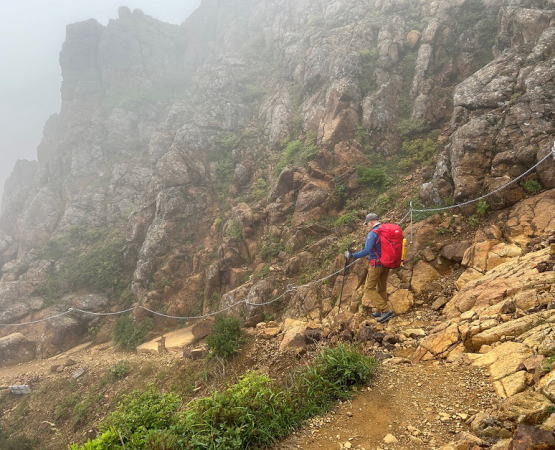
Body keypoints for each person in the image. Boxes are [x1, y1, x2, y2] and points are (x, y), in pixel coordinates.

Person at [347, 212, 394, 323]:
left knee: (369, 288)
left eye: (367, 223)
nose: (367, 225)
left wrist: (352, 255)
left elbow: (367, 250)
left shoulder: (373, 233)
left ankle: (386, 310)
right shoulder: (385, 230)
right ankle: (380, 311)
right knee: (381, 288)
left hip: (376, 264)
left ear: (372, 221)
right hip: (386, 263)